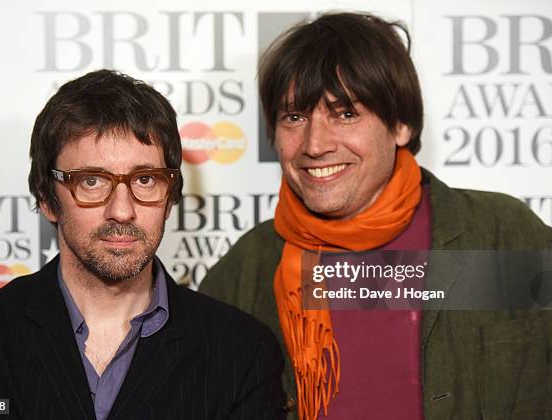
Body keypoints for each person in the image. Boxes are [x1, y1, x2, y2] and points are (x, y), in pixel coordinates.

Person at [199, 12, 552, 420]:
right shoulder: (247, 270)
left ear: (401, 124)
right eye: (294, 117)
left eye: (345, 113)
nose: (314, 144)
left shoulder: (501, 234)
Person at [0, 70, 286, 420]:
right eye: (91, 181)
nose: (122, 211)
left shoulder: (242, 352)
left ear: (170, 198)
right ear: (46, 197)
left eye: (146, 179)